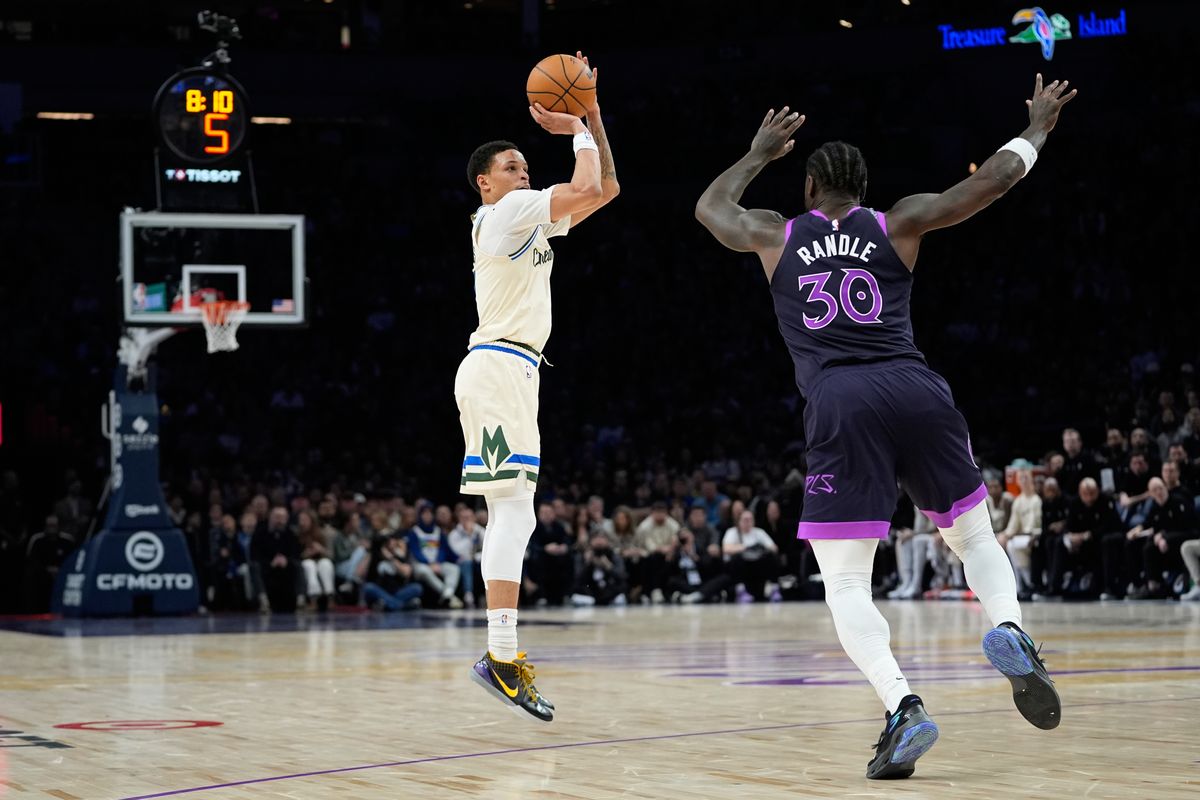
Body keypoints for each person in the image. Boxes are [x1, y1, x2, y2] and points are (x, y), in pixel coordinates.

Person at [694, 73, 1074, 778]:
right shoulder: (896, 222)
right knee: (974, 537)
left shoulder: (776, 233)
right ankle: (1009, 627)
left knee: (846, 583)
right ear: (863, 191)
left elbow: (710, 209)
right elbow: (990, 181)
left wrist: (758, 154)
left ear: (810, 188)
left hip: (840, 401)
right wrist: (1038, 128)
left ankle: (903, 706)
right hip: (914, 387)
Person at [458, 51, 619, 722]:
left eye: (526, 165)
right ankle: (499, 657)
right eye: (512, 166)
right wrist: (573, 128)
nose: (524, 172)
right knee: (513, 514)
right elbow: (583, 183)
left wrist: (593, 114)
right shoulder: (506, 213)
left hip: (514, 370)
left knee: (514, 513)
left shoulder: (524, 216)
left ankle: (501, 656)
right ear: (485, 184)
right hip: (498, 366)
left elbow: (604, 189)